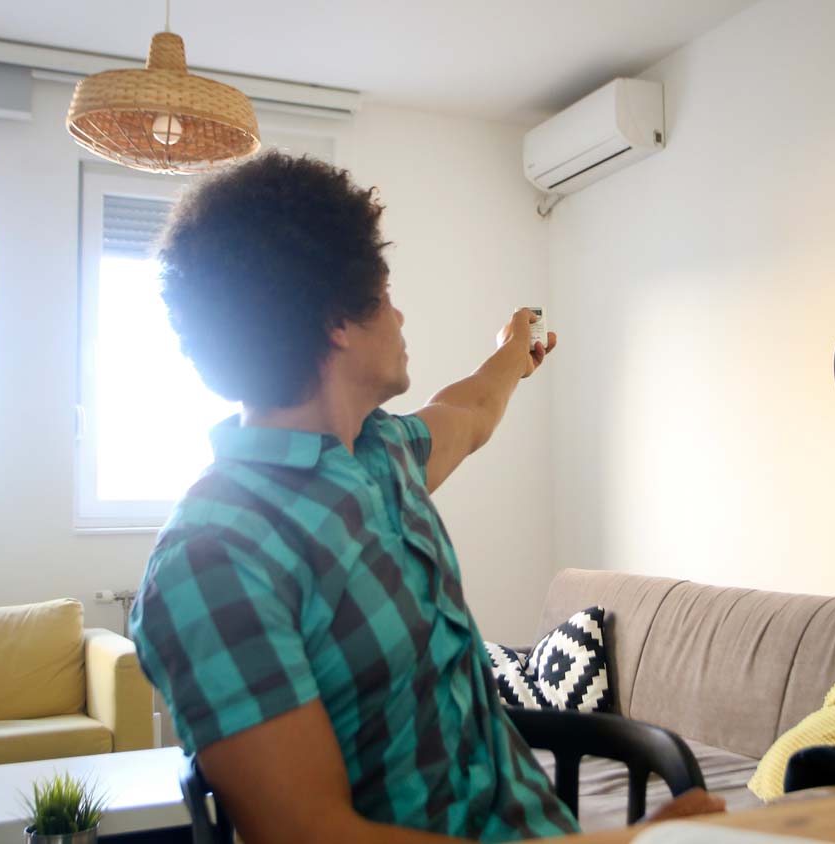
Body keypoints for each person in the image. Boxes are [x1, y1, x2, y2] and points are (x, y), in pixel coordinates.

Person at [129, 151, 724, 844]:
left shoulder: (379, 454)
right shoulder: (212, 559)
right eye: (386, 295)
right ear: (338, 322)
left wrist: (513, 351)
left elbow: (469, 412)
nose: (402, 315)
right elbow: (311, 835)